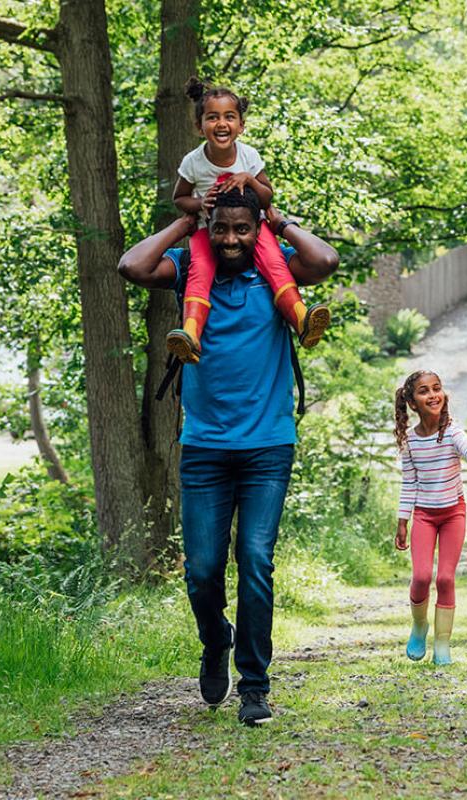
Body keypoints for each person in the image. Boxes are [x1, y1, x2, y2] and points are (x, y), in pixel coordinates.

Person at [117, 186, 339, 724]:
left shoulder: (276, 266)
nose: (232, 239)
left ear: (255, 229)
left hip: (267, 446)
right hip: (205, 450)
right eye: (223, 229)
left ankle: (255, 686)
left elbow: (326, 260)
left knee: (256, 561)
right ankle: (215, 639)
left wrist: (277, 221)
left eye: (243, 230)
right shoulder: (189, 265)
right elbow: (131, 265)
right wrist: (186, 220)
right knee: (202, 570)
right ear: (211, 228)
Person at [167, 77, 331, 363]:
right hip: (209, 229)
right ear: (199, 126)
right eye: (212, 117)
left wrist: (249, 180)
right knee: (199, 272)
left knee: (275, 264)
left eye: (229, 117)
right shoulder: (193, 161)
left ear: (241, 126)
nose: (221, 124)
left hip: (252, 228)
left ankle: (302, 320)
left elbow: (267, 197)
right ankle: (191, 334)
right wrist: (199, 203)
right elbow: (179, 198)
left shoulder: (249, 155)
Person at [393, 370, 467, 665]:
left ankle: (442, 645)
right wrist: (403, 521)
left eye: (437, 388)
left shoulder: (452, 433)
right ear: (412, 403)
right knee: (422, 576)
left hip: (453, 513)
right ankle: (419, 625)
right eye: (424, 391)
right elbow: (409, 483)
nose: (433, 395)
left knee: (446, 578)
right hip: (424, 516)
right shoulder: (410, 441)